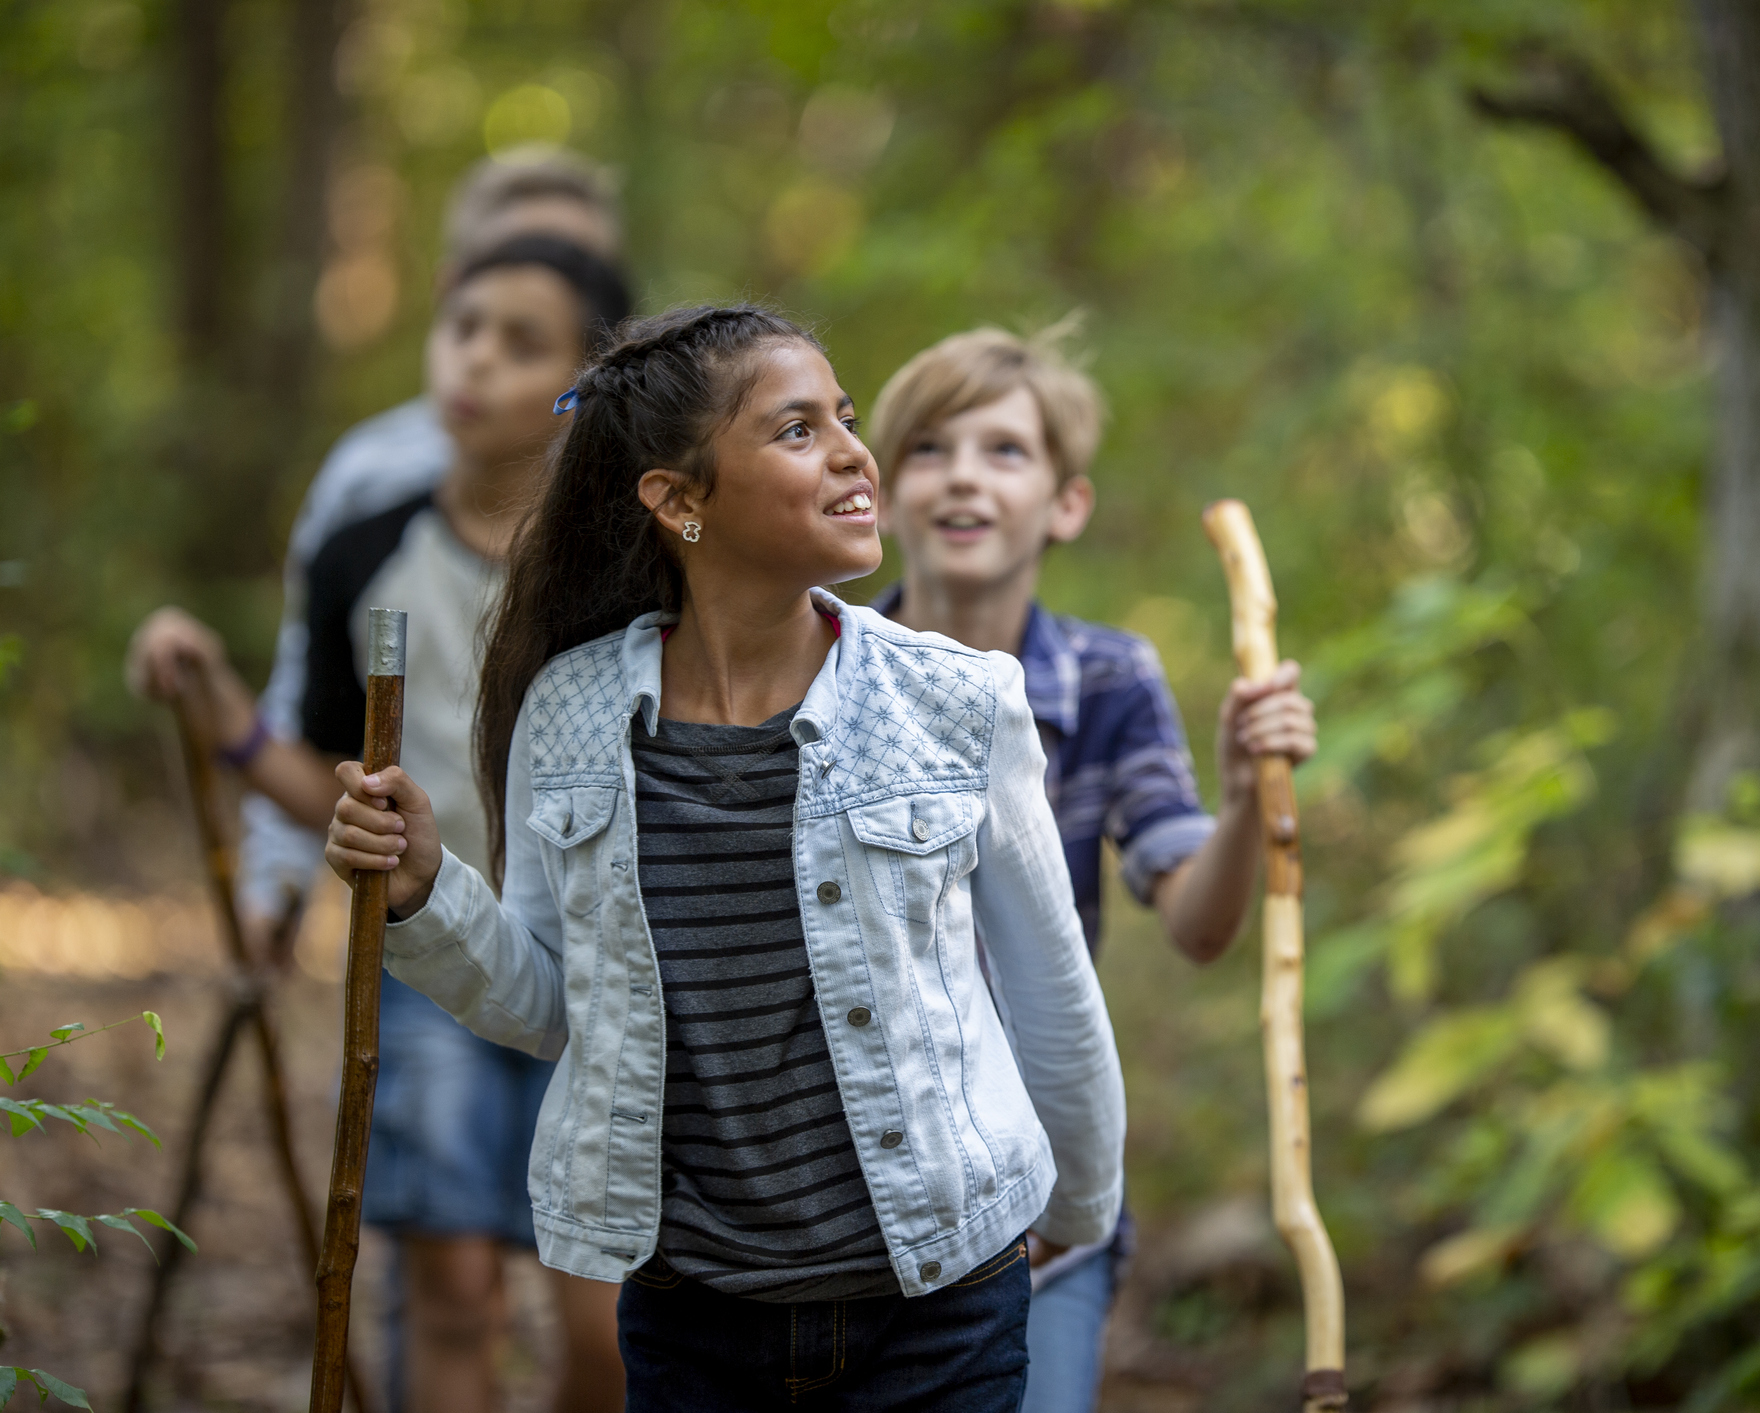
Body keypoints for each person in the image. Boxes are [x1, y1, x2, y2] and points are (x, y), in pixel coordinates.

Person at [318, 304, 1128, 1412]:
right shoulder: (574, 711)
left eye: (845, 419)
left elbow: (1051, 992)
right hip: (692, 1313)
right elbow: (555, 1004)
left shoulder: (954, 701)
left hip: (939, 1302)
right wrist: (425, 892)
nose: (854, 452)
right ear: (679, 499)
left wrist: (1073, 1217)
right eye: (798, 431)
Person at [128, 236, 636, 1413]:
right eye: (462, 327)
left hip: (611, 970)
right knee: (450, 1290)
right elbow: (326, 780)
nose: (474, 360)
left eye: (522, 343)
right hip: (423, 959)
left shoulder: (628, 572)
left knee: (603, 1325)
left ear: (587, 384)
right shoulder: (366, 550)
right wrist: (219, 710)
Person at [862, 325, 1318, 1413]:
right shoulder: (822, 669)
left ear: (1065, 504)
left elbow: (1198, 925)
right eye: (929, 448)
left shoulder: (1108, 679)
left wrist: (1248, 794)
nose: (964, 473)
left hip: (1041, 1192)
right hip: (860, 1189)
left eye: (1005, 451)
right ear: (878, 496)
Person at [239, 146, 626, 921]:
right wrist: (273, 885)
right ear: (450, 289)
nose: (481, 357)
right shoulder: (368, 487)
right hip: (430, 927)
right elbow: (308, 703)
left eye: (568, 266)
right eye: (472, 319)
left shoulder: (633, 534)